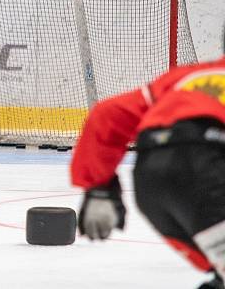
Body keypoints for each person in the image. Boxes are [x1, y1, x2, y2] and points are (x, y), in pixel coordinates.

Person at [71, 44, 225, 289]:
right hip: (205, 168)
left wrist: (99, 188)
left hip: (150, 183)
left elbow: (107, 114)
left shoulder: (183, 77)